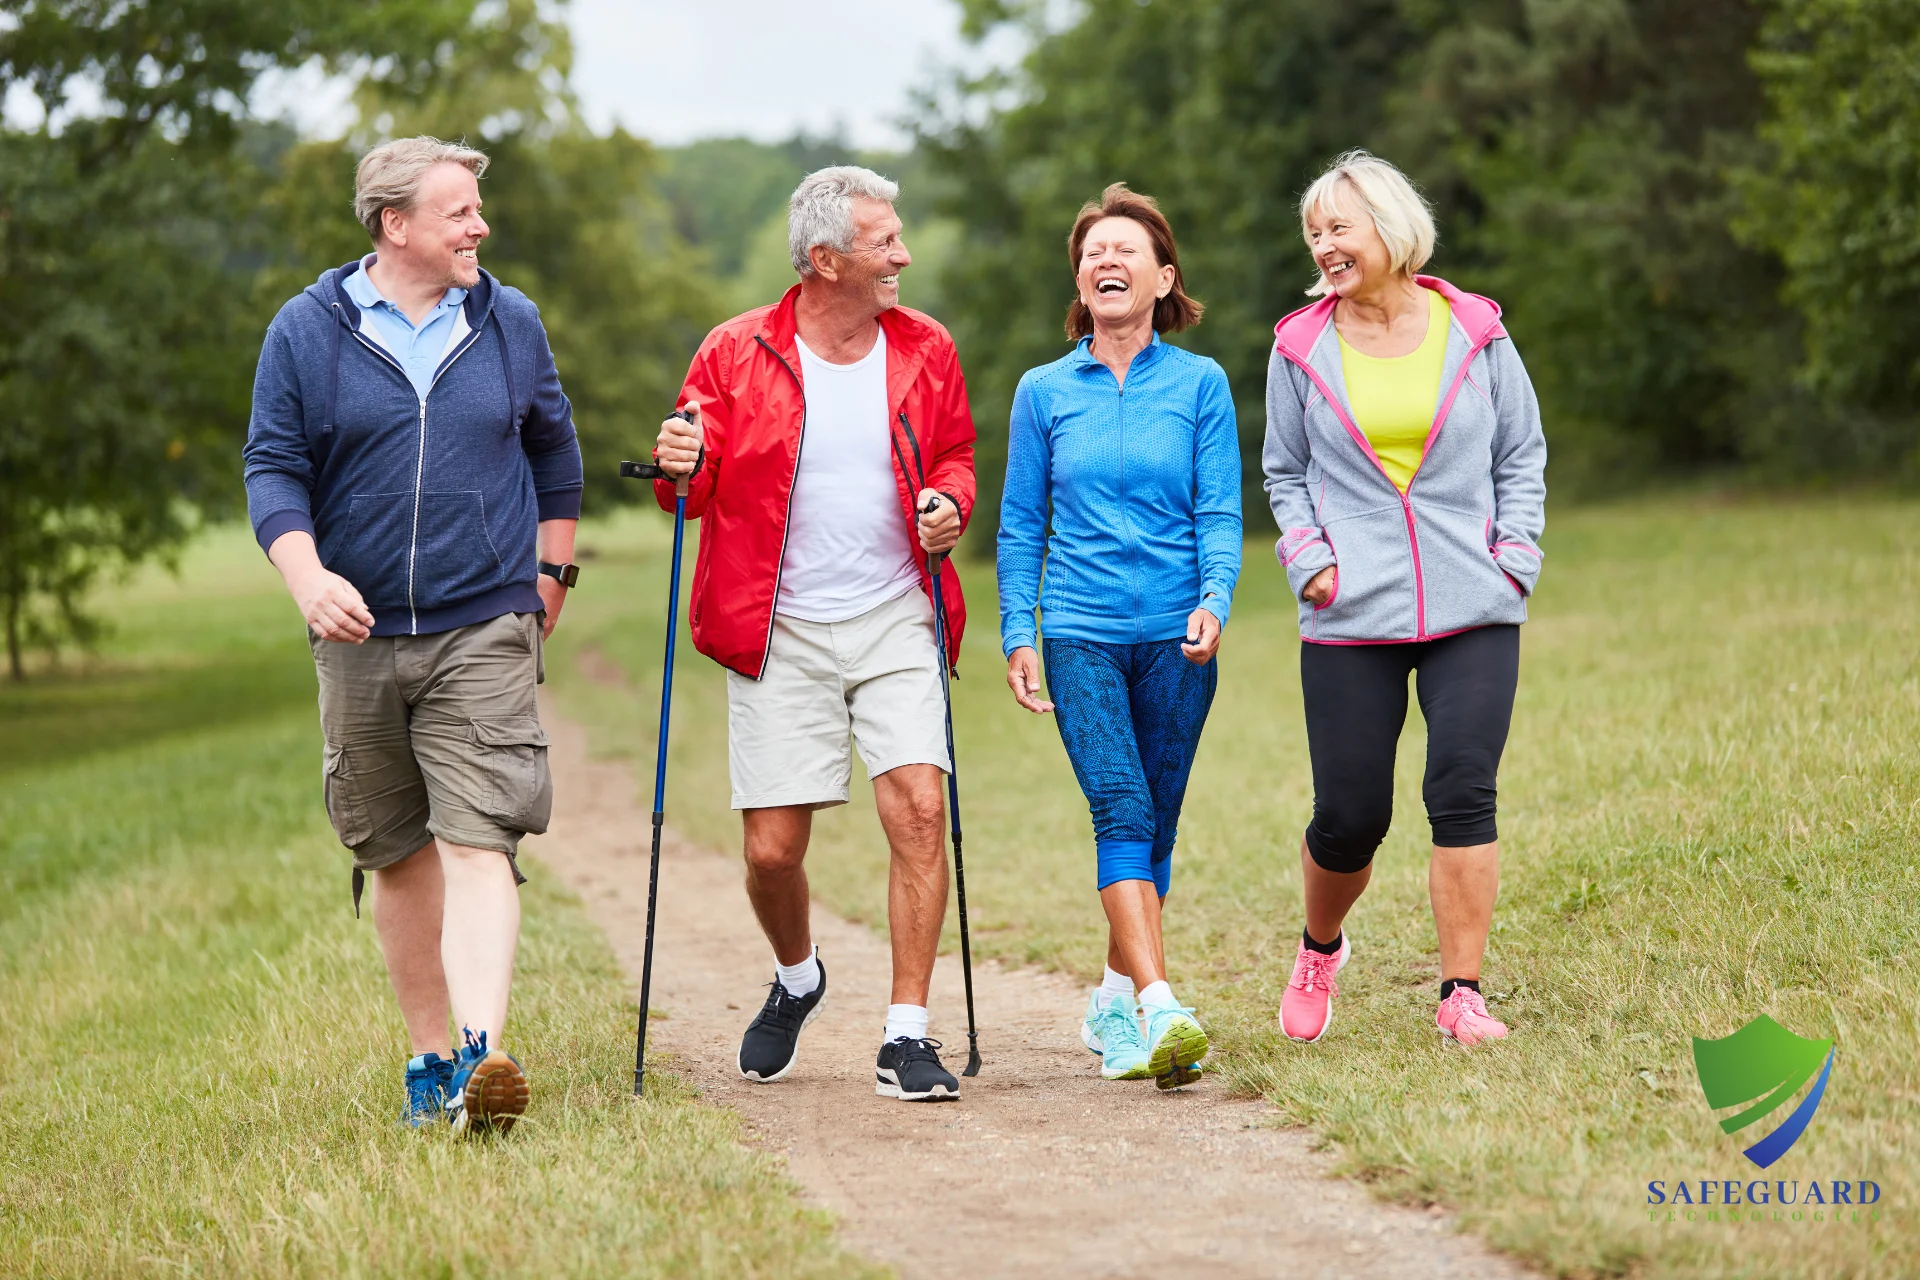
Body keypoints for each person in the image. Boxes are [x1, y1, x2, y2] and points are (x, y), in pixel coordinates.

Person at [243, 136, 584, 1130]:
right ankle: (431, 1059)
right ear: (397, 225)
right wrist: (308, 578)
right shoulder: (308, 331)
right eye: (461, 211)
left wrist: (549, 577)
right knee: (395, 850)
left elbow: (553, 451)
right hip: (357, 634)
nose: (481, 226)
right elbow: (273, 469)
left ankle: (485, 1052)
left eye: (478, 209)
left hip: (482, 617)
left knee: (481, 838)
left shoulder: (509, 320)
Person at [649, 167, 976, 1102]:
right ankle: (798, 977)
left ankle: (906, 1034)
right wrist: (681, 460)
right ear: (824, 259)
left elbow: (954, 454)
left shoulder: (925, 347)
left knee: (918, 805)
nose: (903, 255)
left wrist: (949, 505)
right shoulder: (733, 352)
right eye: (886, 243)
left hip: (893, 614)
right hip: (775, 626)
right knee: (772, 854)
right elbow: (692, 490)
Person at [1262, 150, 1546, 1048]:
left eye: (1339, 227)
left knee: (1463, 789)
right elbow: (1284, 469)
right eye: (1315, 232)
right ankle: (1320, 947)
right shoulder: (1299, 346)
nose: (1325, 245)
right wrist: (1310, 559)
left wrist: (1515, 557)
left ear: (1389, 227)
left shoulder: (1477, 331)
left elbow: (1521, 453)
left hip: (1473, 598)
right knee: (1351, 816)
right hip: (1350, 609)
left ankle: (1460, 992)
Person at [997, 184, 1241, 1088]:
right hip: (1080, 632)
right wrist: (1017, 630)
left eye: (1126, 249)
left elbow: (1220, 509)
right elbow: (1022, 524)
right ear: (1079, 278)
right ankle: (1161, 1005)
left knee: (1157, 823)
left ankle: (1111, 997)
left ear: (1163, 277)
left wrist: (1216, 596)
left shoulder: (1201, 384)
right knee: (1121, 809)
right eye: (1093, 250)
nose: (1106, 260)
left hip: (1180, 636)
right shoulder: (1043, 391)